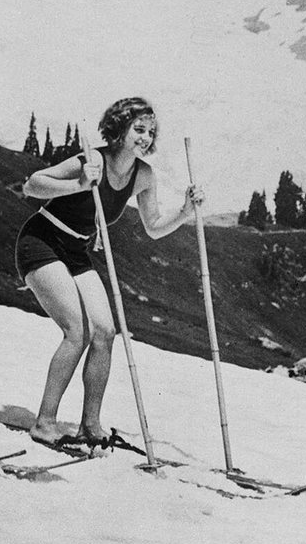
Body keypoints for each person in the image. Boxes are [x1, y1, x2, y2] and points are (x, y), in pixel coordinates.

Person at [15, 97, 204, 449]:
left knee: (105, 331)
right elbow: (33, 185)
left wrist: (185, 212)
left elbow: (153, 226)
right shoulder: (93, 161)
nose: (146, 137)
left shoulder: (143, 175)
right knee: (78, 330)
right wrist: (78, 185)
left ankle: (91, 425)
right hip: (41, 240)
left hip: (76, 250)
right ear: (119, 129)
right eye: (139, 129)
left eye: (151, 132)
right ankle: (44, 422)